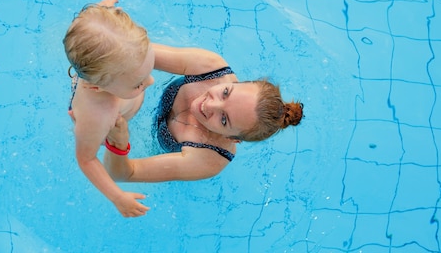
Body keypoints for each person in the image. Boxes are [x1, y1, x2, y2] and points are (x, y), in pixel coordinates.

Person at [104, 44, 303, 187]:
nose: (209, 105)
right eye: (225, 93)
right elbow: (135, 52)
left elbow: (122, 173)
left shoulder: (208, 158)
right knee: (129, 98)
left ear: (232, 138)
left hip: (152, 147)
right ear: (234, 82)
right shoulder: (210, 68)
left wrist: (118, 141)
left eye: (224, 119)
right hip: (139, 99)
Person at [64, 0, 155, 218]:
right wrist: (117, 196)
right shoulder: (97, 115)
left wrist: (103, 17)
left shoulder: (112, 51)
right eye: (138, 83)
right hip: (111, 120)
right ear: (98, 87)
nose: (151, 82)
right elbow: (86, 159)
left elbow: (82, 27)